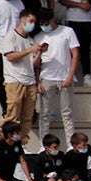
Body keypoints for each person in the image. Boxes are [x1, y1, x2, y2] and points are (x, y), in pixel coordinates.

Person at [35, 10, 80, 144]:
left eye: (47, 23)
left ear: (53, 19)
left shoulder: (67, 31)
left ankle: (71, 146)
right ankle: (44, 145)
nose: (44, 26)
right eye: (42, 24)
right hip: (46, 77)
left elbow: (76, 54)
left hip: (65, 77)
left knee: (67, 114)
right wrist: (37, 81)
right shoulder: (38, 37)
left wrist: (70, 76)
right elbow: (36, 63)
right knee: (45, 114)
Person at [1, 10, 42, 145]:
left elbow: (33, 63)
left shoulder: (31, 40)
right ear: (22, 20)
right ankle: (4, 142)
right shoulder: (10, 36)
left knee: (27, 116)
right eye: (31, 21)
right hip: (14, 79)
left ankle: (22, 142)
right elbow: (10, 57)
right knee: (12, 114)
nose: (33, 24)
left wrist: (39, 53)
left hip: (29, 80)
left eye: (34, 22)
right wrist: (30, 50)